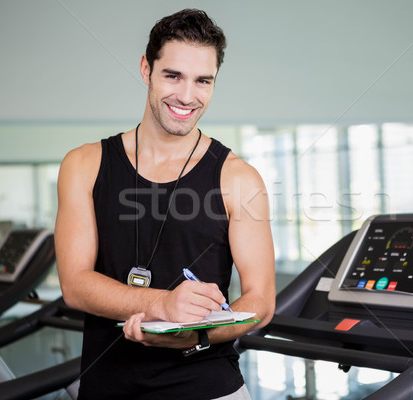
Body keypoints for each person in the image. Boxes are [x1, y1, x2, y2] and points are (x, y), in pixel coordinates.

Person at [55, 9, 275, 400]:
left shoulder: (239, 178)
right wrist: (163, 305)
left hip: (208, 386)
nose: (187, 96)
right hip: (107, 385)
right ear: (146, 69)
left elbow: (260, 301)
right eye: (173, 76)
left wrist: (195, 335)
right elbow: (74, 284)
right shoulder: (84, 165)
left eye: (202, 81)